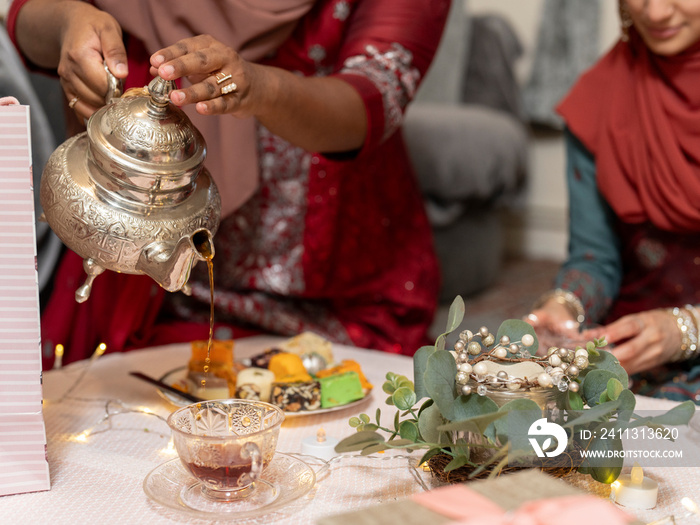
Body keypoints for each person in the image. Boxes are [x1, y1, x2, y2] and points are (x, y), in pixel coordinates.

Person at [8, 0, 448, 367]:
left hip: (329, 287)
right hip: (142, 264)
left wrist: (263, 89)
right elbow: (22, 19)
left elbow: (377, 94)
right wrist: (68, 19)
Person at [528, 0, 700, 403]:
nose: (655, 13)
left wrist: (687, 328)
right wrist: (564, 306)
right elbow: (595, 256)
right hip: (633, 346)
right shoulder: (599, 98)